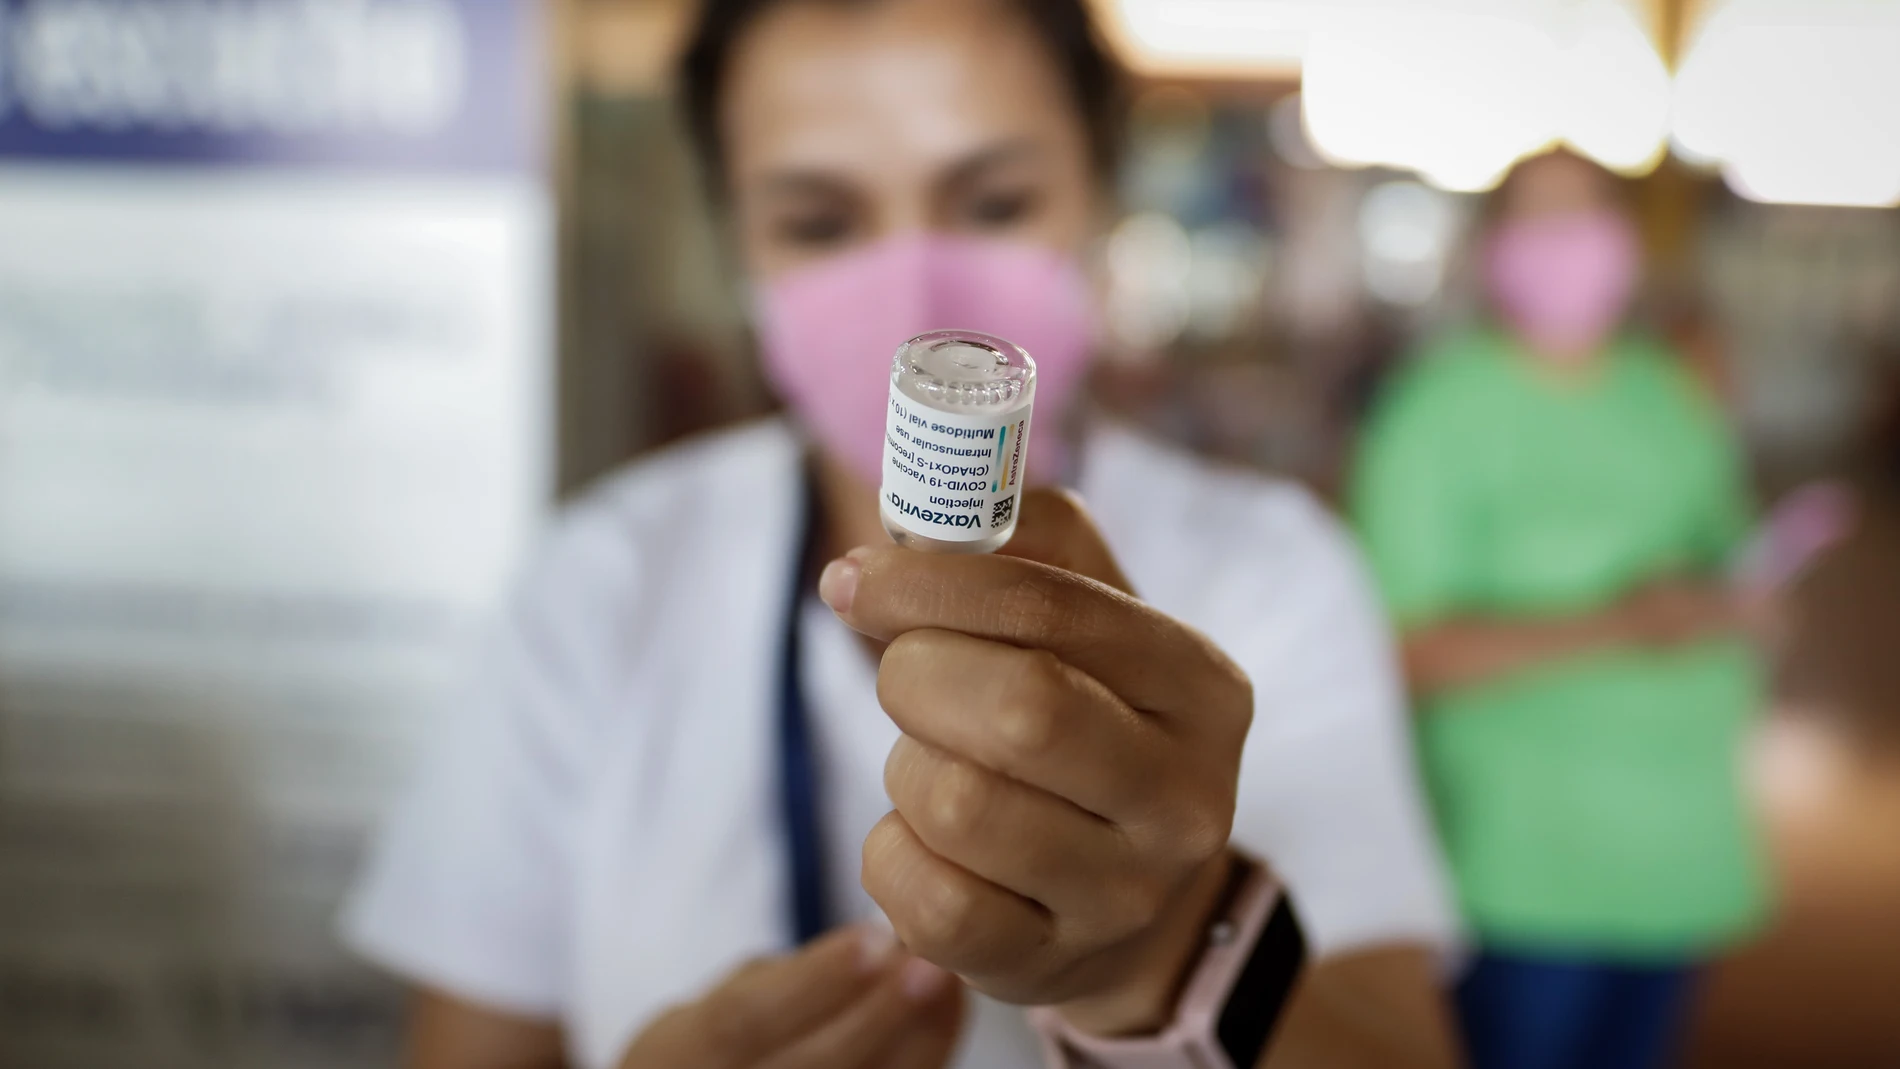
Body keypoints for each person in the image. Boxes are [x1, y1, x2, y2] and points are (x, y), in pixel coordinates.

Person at [344, 1, 1461, 1067]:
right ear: (738, 242)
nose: (917, 285)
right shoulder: (602, 580)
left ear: (1099, 190)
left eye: (994, 203)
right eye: (818, 222)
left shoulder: (1272, 572)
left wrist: (1169, 956)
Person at [1350, 150, 1769, 1069]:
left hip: (1678, 846)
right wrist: (1621, 625)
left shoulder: (1668, 396)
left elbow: (1730, 566)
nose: (1567, 243)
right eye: (1540, 219)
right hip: (1525, 861)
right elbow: (1399, 647)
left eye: (1586, 215)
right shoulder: (1437, 412)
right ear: (1493, 248)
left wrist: (1746, 608)